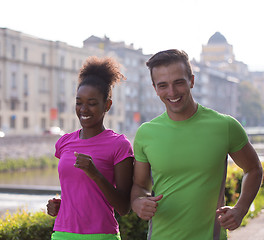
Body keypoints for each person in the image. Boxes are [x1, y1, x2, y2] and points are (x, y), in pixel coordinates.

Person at [131, 49, 263, 240]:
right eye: (163, 85)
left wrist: (241, 209)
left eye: (179, 82)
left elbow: (253, 168)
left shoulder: (225, 126)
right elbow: (139, 185)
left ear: (191, 81)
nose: (172, 92)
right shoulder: (146, 133)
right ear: (155, 88)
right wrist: (138, 202)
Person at [47, 56, 134, 240]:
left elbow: (124, 207)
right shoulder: (64, 143)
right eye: (79, 102)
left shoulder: (119, 145)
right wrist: (58, 205)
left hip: (101, 235)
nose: (83, 109)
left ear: (107, 105)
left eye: (92, 103)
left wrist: (95, 173)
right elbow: (78, 191)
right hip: (63, 234)